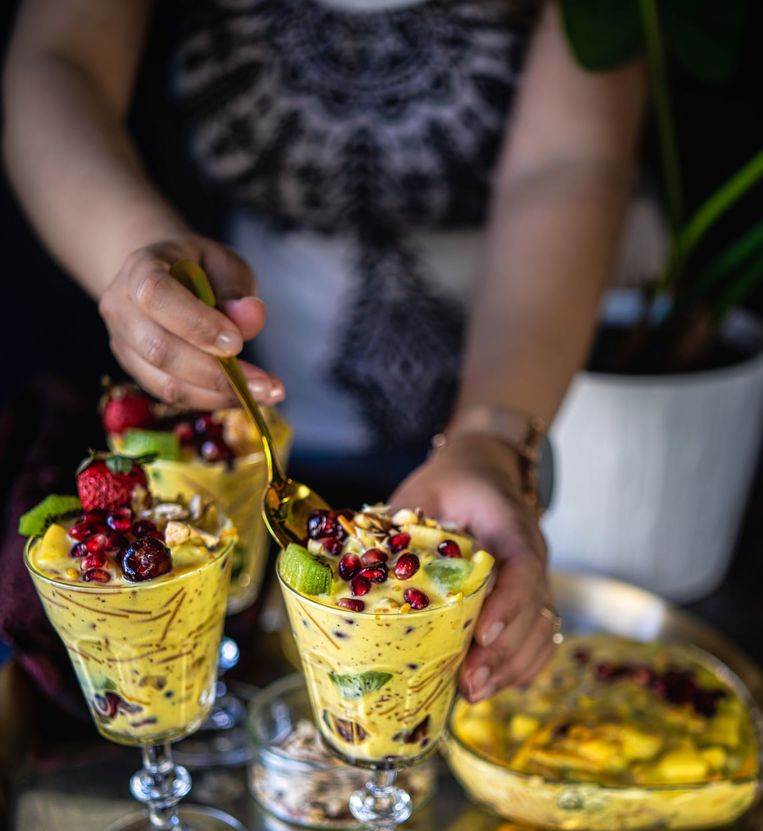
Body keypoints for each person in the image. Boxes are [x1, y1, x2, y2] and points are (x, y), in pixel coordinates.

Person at [3, 0, 646, 701]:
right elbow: (59, 63)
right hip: (273, 422)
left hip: (553, 392)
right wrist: (136, 261)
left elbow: (568, 162)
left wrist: (492, 435)